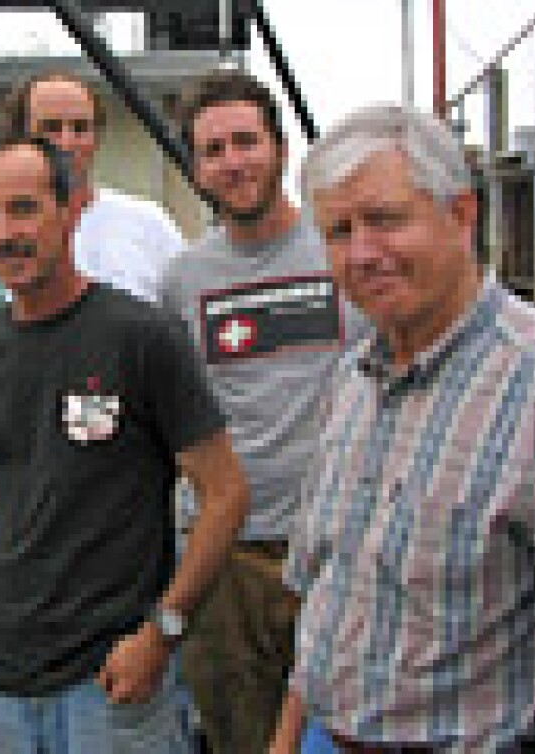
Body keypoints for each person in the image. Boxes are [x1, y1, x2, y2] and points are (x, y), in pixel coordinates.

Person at [270, 104, 535, 754]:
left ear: (461, 214)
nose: (362, 253)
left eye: (386, 220)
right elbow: (325, 598)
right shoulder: (353, 379)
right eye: (339, 231)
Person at [0, 135, 251, 754]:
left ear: (70, 212)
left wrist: (162, 632)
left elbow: (225, 495)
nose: (4, 233)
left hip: (112, 682)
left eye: (23, 209)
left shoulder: (143, 338)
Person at [158, 70, 365, 754]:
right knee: (239, 735)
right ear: (195, 168)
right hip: (226, 564)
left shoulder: (341, 255)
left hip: (337, 553)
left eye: (247, 142)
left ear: (280, 149)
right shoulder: (183, 280)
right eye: (214, 150)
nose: (233, 162)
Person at [0, 70, 184, 303]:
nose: (67, 142)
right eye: (51, 128)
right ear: (18, 138)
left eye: (80, 128)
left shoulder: (150, 226)